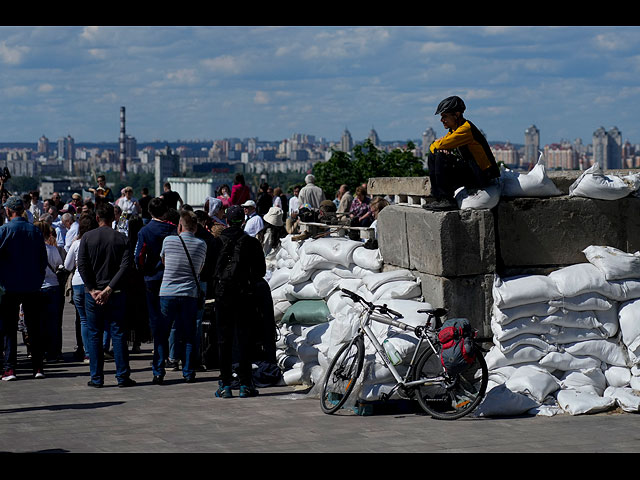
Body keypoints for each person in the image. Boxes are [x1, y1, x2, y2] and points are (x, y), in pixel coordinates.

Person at [77, 202, 135, 388]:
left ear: (96, 218)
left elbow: (82, 265)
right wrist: (109, 288)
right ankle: (122, 377)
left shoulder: (87, 237)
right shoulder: (122, 238)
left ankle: (96, 378)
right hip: (115, 292)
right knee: (118, 333)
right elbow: (125, 266)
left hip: (92, 295)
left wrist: (93, 289)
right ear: (114, 218)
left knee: (94, 334)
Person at [212, 205, 266, 399]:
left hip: (222, 296)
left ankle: (225, 384)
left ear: (226, 221)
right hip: (245, 296)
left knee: (223, 340)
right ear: (243, 221)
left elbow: (210, 270)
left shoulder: (217, 242)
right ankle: (245, 384)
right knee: (244, 339)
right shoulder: (251, 243)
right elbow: (261, 272)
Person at [0, 196, 48, 381]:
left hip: (9, 286)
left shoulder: (4, 230)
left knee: (9, 329)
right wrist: (37, 279)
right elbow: (42, 260)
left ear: (9, 211)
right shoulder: (34, 231)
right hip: (32, 286)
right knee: (34, 328)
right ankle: (38, 367)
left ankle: (10, 368)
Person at [424, 95, 500, 211]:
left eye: (445, 116)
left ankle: (447, 200)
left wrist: (440, 147)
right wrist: (439, 147)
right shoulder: (454, 130)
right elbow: (437, 146)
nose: (442, 120)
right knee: (434, 156)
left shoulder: (465, 129)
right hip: (473, 172)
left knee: (440, 156)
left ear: (457, 114)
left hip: (483, 176)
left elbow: (439, 144)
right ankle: (438, 198)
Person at [158, 210, 207, 384]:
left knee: (162, 333)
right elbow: (199, 268)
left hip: (168, 292)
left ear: (180, 226)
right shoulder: (202, 245)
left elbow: (164, 261)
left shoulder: (169, 241)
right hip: (189, 294)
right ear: (196, 227)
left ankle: (158, 371)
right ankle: (188, 371)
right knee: (189, 334)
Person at [134, 197, 178, 381]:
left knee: (157, 326)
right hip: (172, 278)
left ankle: (158, 368)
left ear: (150, 212)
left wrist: (143, 271)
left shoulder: (145, 231)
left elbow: (139, 257)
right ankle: (180, 361)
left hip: (152, 279)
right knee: (174, 323)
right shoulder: (174, 229)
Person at [65, 213, 99, 364]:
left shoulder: (77, 243)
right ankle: (98, 349)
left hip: (79, 282)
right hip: (95, 282)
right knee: (96, 319)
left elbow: (67, 265)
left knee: (83, 320)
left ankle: (87, 352)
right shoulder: (97, 241)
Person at [33, 221, 65, 362]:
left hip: (37, 288)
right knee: (54, 322)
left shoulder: (31, 251)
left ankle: (40, 351)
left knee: (39, 322)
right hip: (53, 286)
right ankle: (54, 352)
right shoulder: (52, 250)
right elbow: (59, 265)